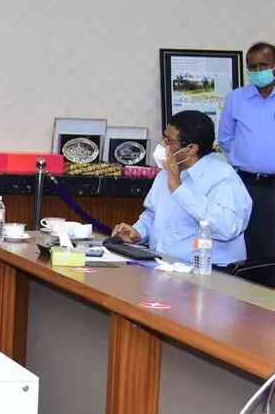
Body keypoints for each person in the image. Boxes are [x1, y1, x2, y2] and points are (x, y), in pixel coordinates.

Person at [113, 110, 253, 266]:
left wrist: (179, 189)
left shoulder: (223, 176)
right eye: (164, 138)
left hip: (209, 272)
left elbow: (228, 228)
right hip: (163, 265)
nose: (162, 145)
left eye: (169, 141)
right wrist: (138, 232)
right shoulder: (167, 171)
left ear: (191, 149)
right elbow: (153, 214)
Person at [218, 41, 275, 259]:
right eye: (253, 67)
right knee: (247, 243)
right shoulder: (236, 98)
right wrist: (247, 157)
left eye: (265, 65)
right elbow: (225, 138)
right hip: (244, 183)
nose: (259, 71)